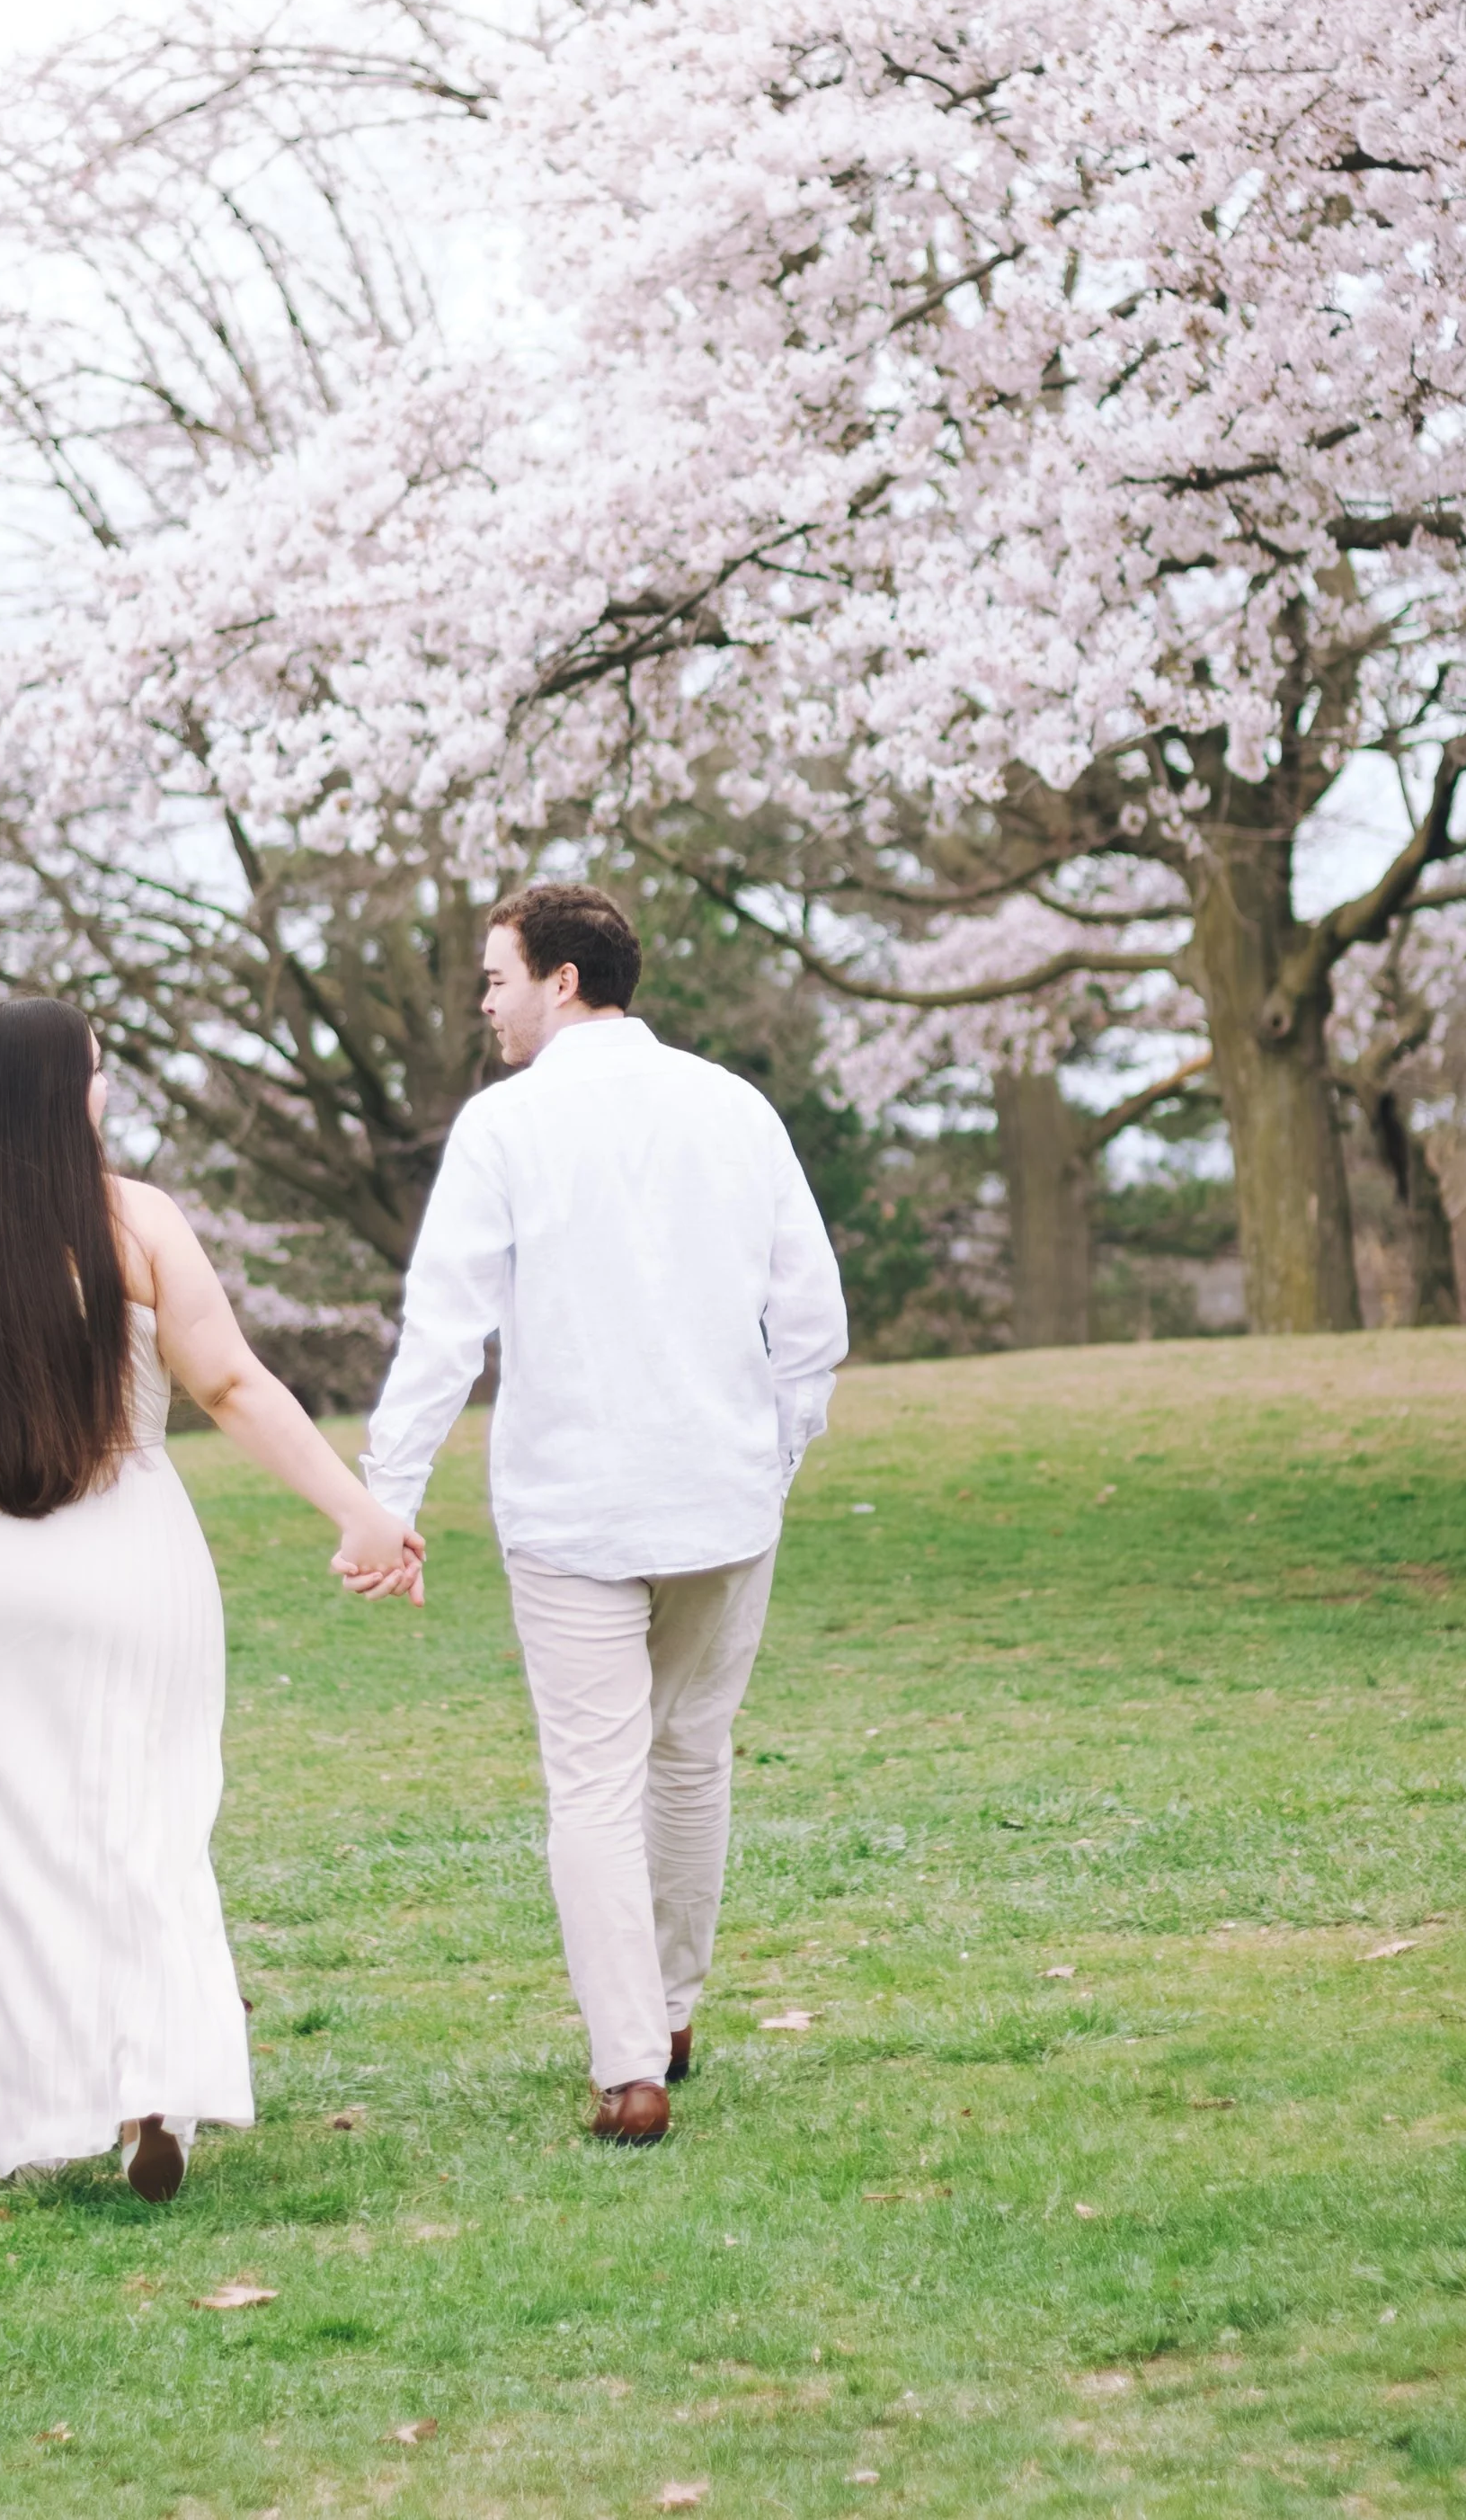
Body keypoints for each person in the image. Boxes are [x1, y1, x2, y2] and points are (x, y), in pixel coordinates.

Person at [0, 997, 422, 2199]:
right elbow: (232, 1380)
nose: (102, 1093)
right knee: (145, 1824)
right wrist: (355, 1508)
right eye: (92, 1073)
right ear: (51, 1092)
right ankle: (152, 2087)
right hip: (127, 1551)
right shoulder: (138, 1220)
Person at [350, 880, 847, 2142]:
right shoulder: (735, 1107)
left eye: (497, 977)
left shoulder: (504, 1125)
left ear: (564, 979)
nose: (485, 1002)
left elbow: (445, 1328)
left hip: (576, 1507)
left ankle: (630, 2065)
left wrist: (386, 1493)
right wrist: (771, 1456)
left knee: (595, 1780)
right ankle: (669, 2014)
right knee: (690, 1754)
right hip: (723, 1498)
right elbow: (814, 1320)